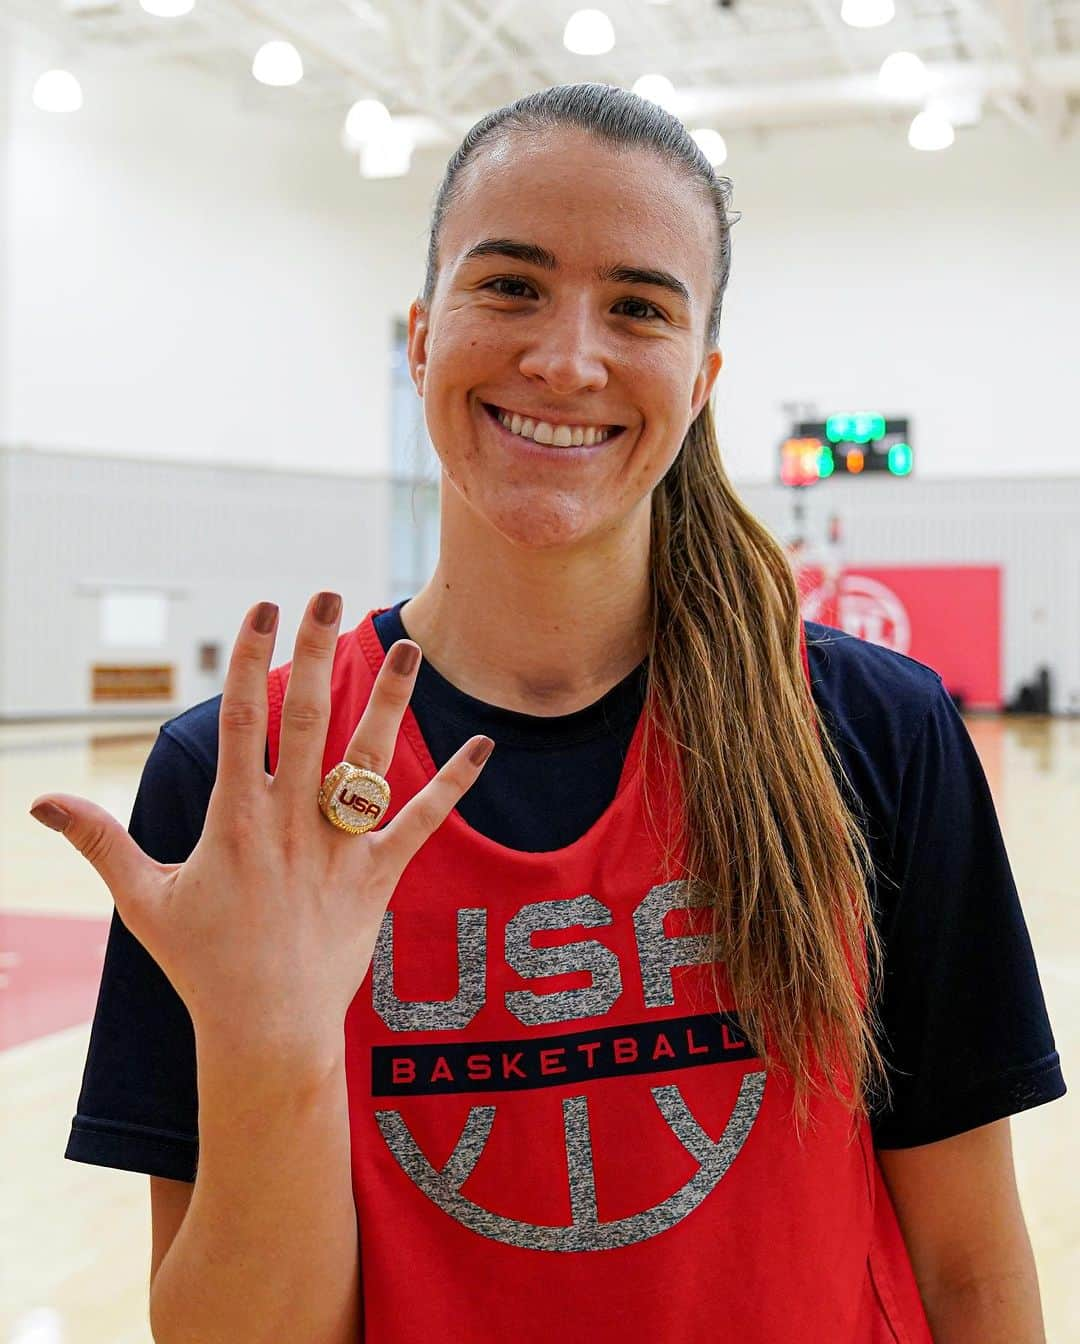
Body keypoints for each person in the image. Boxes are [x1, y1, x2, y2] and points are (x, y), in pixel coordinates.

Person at [33, 83, 1064, 1343]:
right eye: (510, 286)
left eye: (639, 307)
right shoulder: (242, 777)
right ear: (421, 337)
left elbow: (972, 1268)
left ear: (702, 381)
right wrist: (276, 1046)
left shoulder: (870, 729)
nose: (566, 358)